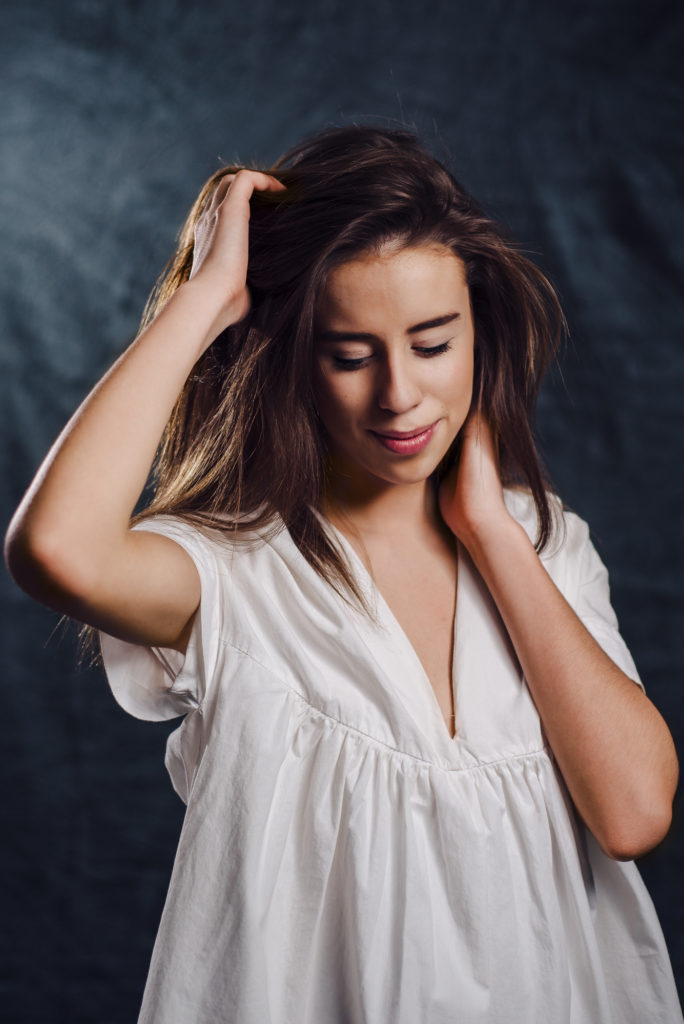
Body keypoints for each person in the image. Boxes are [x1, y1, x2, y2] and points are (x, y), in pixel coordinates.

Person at [5, 125, 682, 1023]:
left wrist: (489, 531)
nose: (398, 394)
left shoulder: (542, 544)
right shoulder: (237, 573)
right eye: (351, 355)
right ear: (295, 359)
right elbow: (59, 551)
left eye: (434, 344)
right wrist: (207, 298)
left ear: (480, 332)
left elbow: (633, 814)